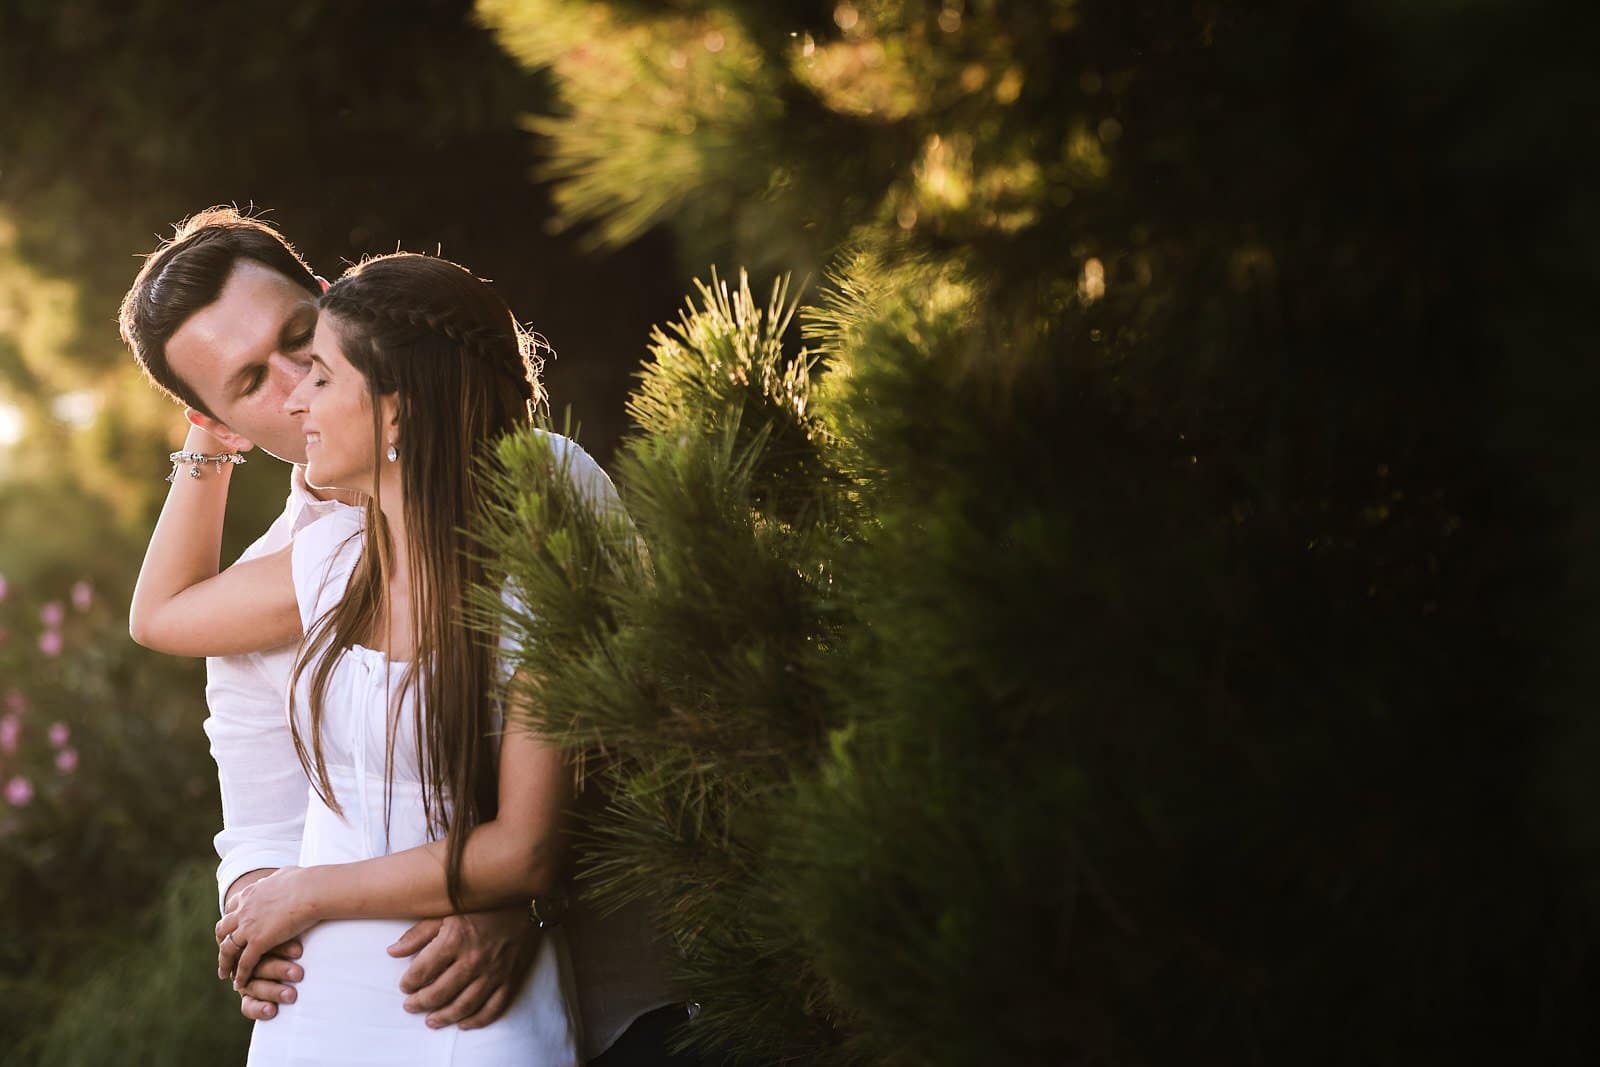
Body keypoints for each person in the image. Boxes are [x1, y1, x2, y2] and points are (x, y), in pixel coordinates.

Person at [118, 211, 683, 1062]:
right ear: (223, 423)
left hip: (619, 1000)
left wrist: (515, 896)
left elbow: (645, 733)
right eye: (247, 382)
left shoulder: (539, 488)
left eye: (302, 337)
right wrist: (262, 906)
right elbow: (262, 822)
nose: (296, 378)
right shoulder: (279, 581)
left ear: (334, 303)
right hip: (363, 1003)